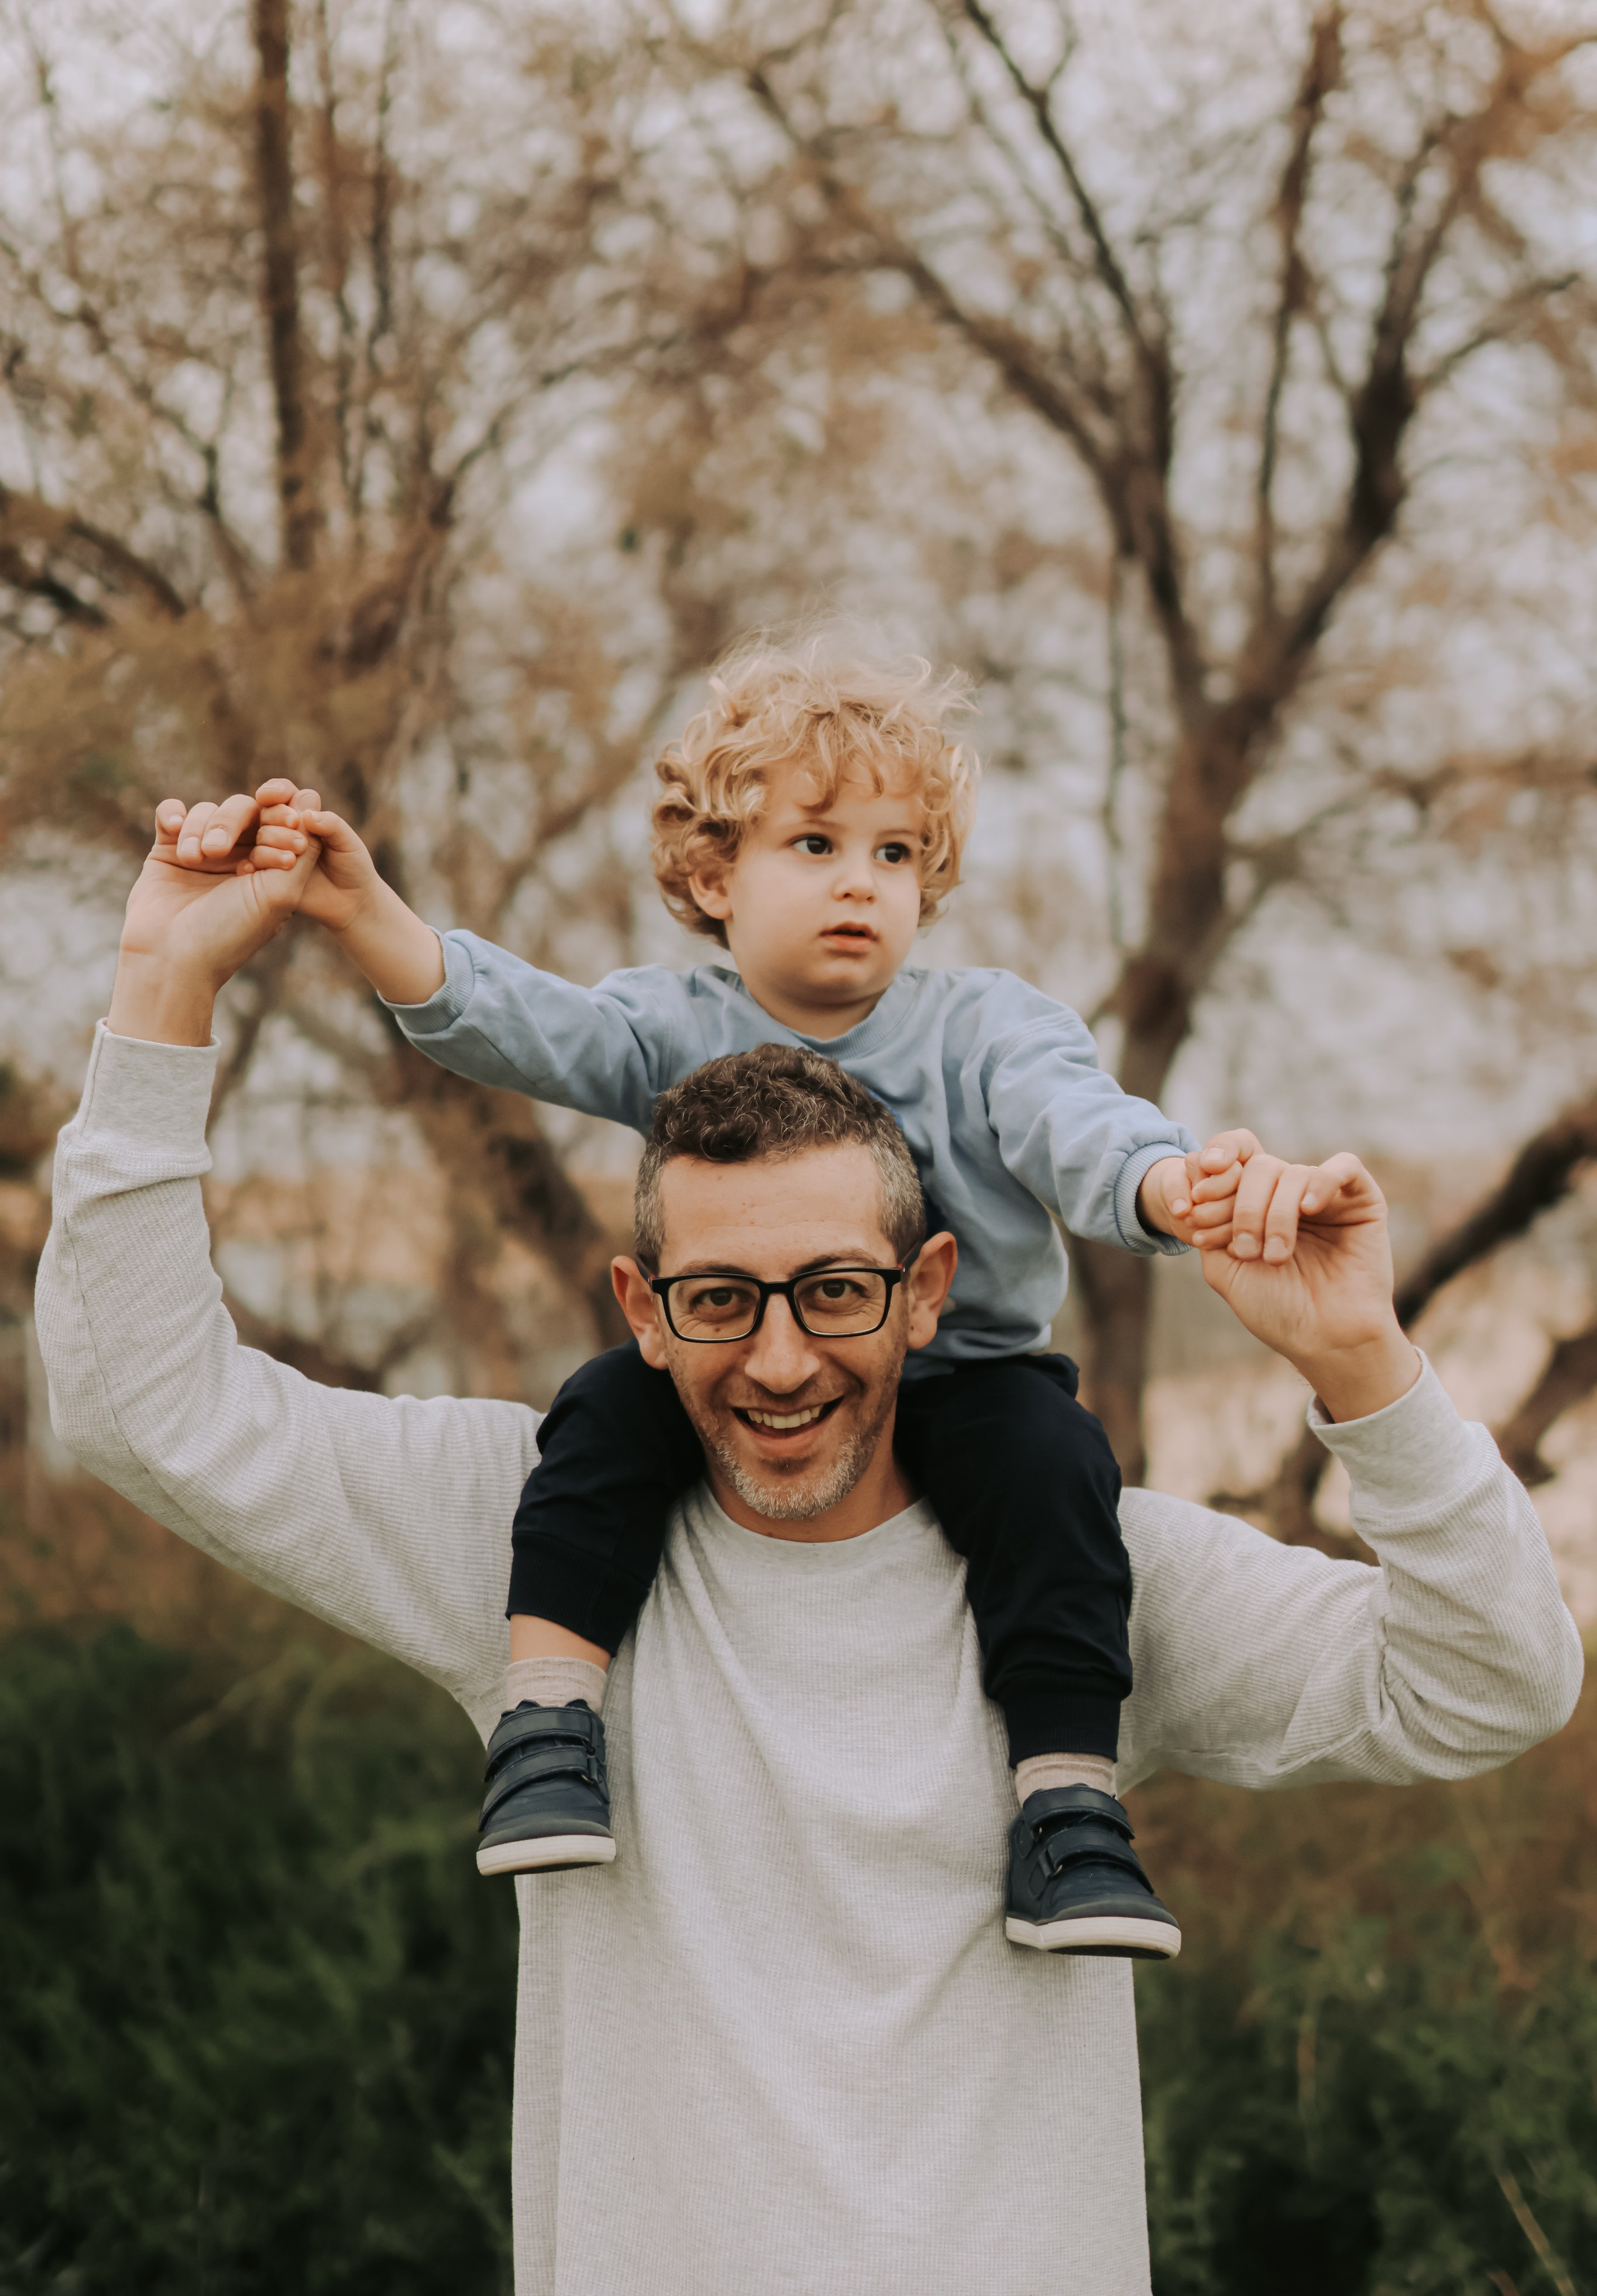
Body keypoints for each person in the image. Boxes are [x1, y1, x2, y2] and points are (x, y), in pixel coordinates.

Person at [37, 812, 1583, 2295]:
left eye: (835, 1292)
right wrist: (164, 986)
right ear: (643, 1312)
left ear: (925, 1291)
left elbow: (1491, 1683)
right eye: (720, 1301)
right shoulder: (528, 1541)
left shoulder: (1084, 1577)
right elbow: (135, 1402)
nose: (778, 1362)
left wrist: (1364, 1369)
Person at [151, 639, 1299, 1958]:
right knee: (596, 1418)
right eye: (813, 846)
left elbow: (1075, 1130)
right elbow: (519, 1026)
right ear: (714, 874)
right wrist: (365, 917)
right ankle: (548, 1721)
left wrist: (1170, 1192)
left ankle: (1064, 1812)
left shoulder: (987, 1027)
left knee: (1061, 1483)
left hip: (971, 1374)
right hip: (746, 1368)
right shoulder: (674, 1020)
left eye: (893, 855)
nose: (859, 884)